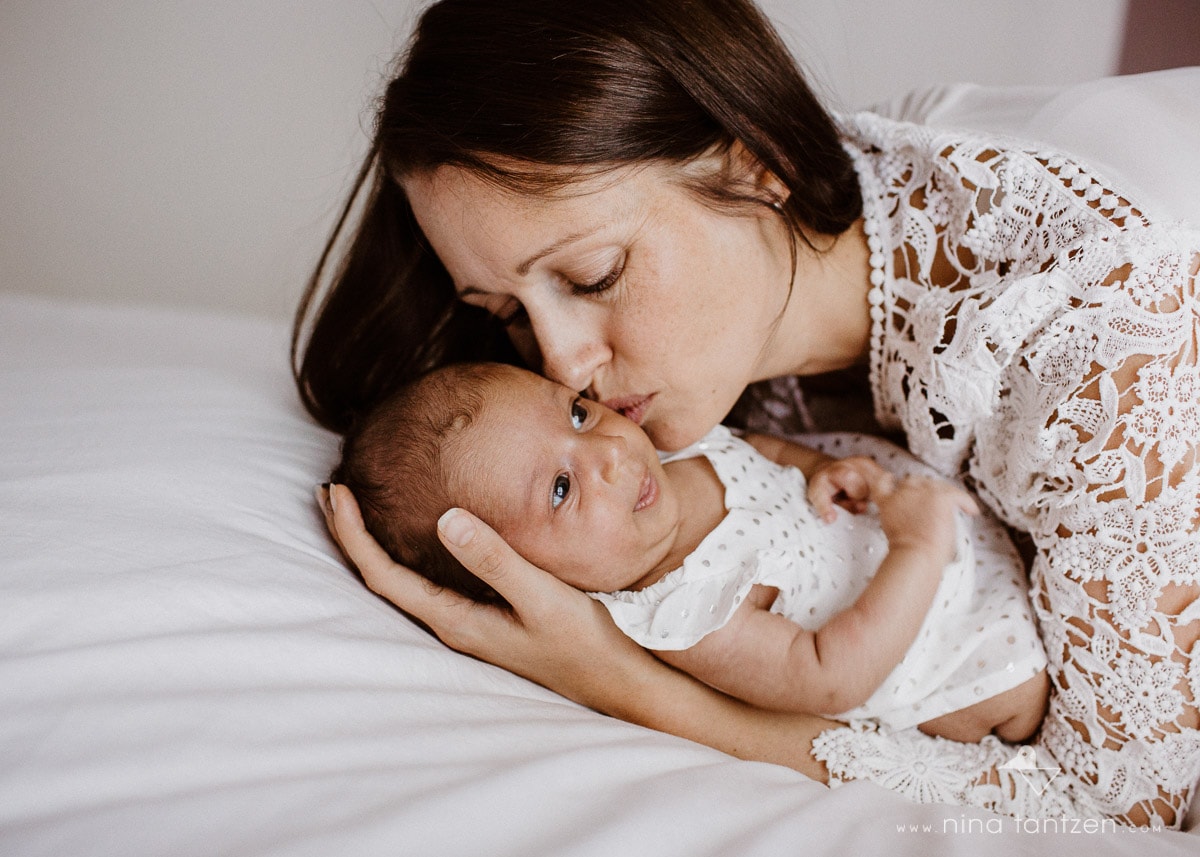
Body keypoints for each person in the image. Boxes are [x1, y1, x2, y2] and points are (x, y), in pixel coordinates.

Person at [295, 0, 1200, 828]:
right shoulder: (737, 340)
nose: (561, 362)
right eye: (505, 313)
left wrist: (622, 680)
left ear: (759, 159)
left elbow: (1118, 809)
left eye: (594, 275)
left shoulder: (1101, 332)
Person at [332, 361, 1049, 743]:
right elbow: (827, 677)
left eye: (577, 413)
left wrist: (819, 470)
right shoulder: (684, 610)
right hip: (979, 661)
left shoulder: (667, 453)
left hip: (969, 537)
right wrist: (919, 547)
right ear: (522, 575)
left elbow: (757, 451)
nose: (608, 453)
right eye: (559, 488)